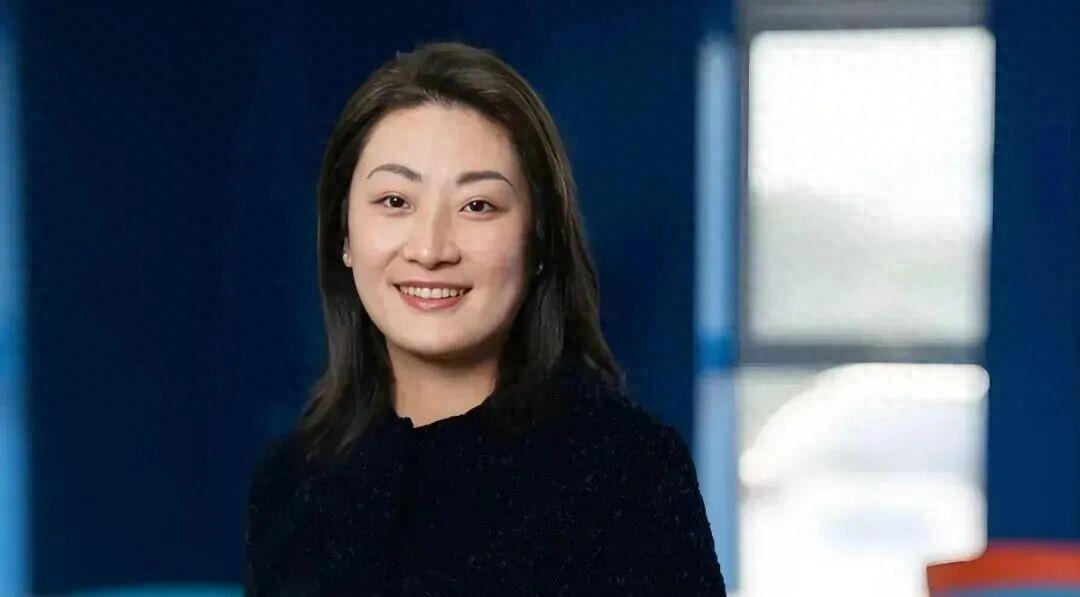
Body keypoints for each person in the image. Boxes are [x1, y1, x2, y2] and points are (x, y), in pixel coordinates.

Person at [243, 41, 726, 596]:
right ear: (343, 235)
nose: (430, 249)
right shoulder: (290, 480)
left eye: (478, 206)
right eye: (395, 201)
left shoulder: (628, 472)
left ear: (539, 241)